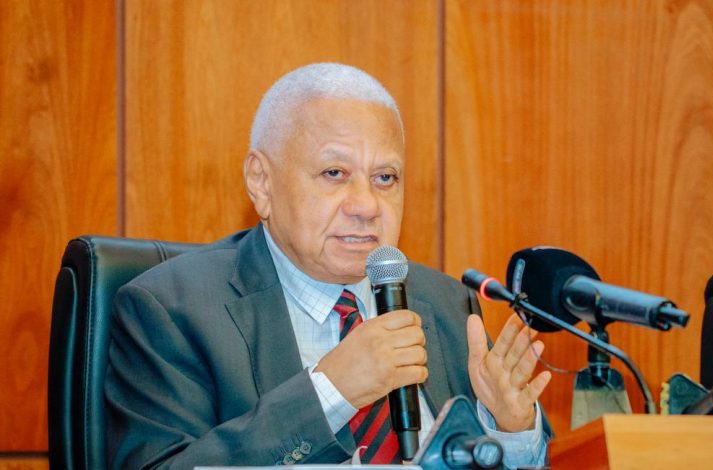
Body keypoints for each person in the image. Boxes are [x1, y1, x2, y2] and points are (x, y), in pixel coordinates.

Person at [105, 63, 552, 469]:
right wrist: (331, 393)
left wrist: (510, 433)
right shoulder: (172, 310)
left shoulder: (445, 303)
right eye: (334, 173)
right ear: (261, 182)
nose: (366, 206)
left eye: (385, 178)